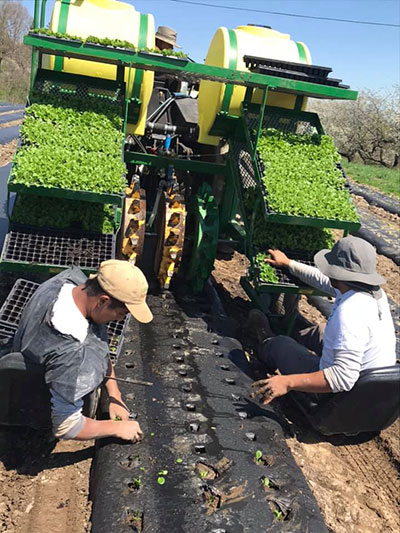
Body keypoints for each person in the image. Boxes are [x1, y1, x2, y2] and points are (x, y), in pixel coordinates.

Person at [13, 260, 153, 442]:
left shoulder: (66, 283)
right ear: (103, 301)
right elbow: (66, 426)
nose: (119, 320)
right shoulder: (73, 350)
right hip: (35, 393)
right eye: (121, 314)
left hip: (22, 355)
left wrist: (114, 395)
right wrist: (117, 427)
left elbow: (99, 345)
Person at [250, 236, 396, 405]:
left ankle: (266, 340)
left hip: (342, 398)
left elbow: (342, 379)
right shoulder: (372, 293)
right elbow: (326, 281)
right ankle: (294, 330)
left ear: (337, 272)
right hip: (375, 389)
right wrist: (289, 264)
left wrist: (287, 382)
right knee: (319, 331)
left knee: (280, 344)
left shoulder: (349, 312)